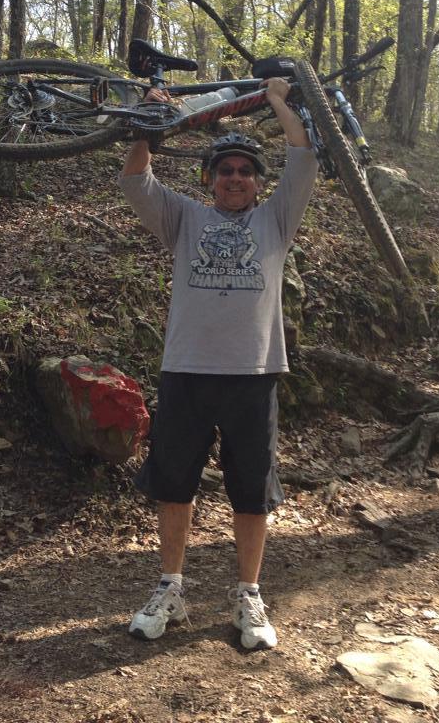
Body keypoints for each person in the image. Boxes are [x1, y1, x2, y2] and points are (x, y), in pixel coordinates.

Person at [118, 76, 318, 650]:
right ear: (210, 180)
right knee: (174, 485)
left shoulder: (277, 219)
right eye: (225, 170)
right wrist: (150, 126)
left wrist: (278, 101)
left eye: (245, 171)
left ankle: (248, 595)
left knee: (251, 491)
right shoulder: (183, 219)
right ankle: (170, 587)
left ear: (258, 182)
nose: (235, 178)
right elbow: (136, 179)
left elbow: (301, 155)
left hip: (253, 376)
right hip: (186, 371)